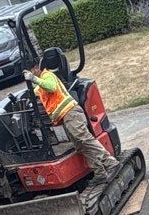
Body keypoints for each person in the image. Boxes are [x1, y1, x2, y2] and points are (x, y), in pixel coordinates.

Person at [25, 50, 116, 185]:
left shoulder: (47, 76)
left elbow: (51, 87)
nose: (30, 75)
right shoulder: (40, 84)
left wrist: (34, 79)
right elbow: (36, 93)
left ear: (36, 68)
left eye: (30, 72)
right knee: (81, 145)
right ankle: (100, 172)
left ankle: (111, 163)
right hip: (65, 117)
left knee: (83, 138)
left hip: (71, 112)